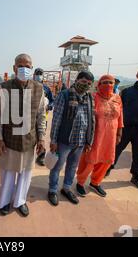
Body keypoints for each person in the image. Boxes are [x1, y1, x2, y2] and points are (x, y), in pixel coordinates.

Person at [0, 53, 47, 217]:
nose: (24, 69)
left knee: (26, 174)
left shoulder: (39, 89)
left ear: (31, 68)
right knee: (8, 172)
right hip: (9, 139)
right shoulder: (4, 87)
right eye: (20, 65)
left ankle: (20, 201)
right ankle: (4, 202)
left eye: (28, 66)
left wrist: (42, 137)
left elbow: (41, 116)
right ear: (14, 68)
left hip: (29, 139)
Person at [48, 71, 95, 206]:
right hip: (64, 140)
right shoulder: (65, 95)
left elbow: (91, 120)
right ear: (77, 80)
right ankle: (52, 189)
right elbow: (56, 119)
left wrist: (88, 141)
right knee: (57, 166)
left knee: (72, 167)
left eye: (89, 84)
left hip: (80, 141)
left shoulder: (89, 98)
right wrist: (53, 140)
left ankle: (67, 188)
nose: (86, 85)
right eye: (83, 82)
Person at [75, 75, 122, 198]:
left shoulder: (117, 98)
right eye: (104, 82)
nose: (108, 85)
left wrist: (119, 133)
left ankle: (95, 182)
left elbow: (121, 117)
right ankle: (80, 182)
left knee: (106, 161)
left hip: (111, 137)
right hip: (95, 135)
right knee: (90, 160)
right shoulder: (93, 98)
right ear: (99, 85)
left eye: (111, 82)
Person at [33, 68, 54, 166]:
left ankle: (41, 156)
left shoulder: (46, 88)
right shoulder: (29, 86)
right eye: (37, 74)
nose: (38, 75)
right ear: (33, 75)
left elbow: (52, 100)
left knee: (41, 135)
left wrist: (50, 106)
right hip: (31, 117)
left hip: (42, 117)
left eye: (40, 74)